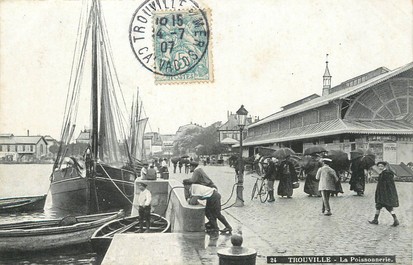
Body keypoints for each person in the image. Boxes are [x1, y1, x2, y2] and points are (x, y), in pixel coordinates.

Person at [369, 161, 399, 226]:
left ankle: (394, 220)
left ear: (384, 167)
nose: (380, 167)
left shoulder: (385, 173)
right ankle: (376, 219)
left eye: (381, 166)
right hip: (384, 193)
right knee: (382, 206)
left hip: (384, 193)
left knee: (383, 206)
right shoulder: (386, 173)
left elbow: (384, 184)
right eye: (379, 166)